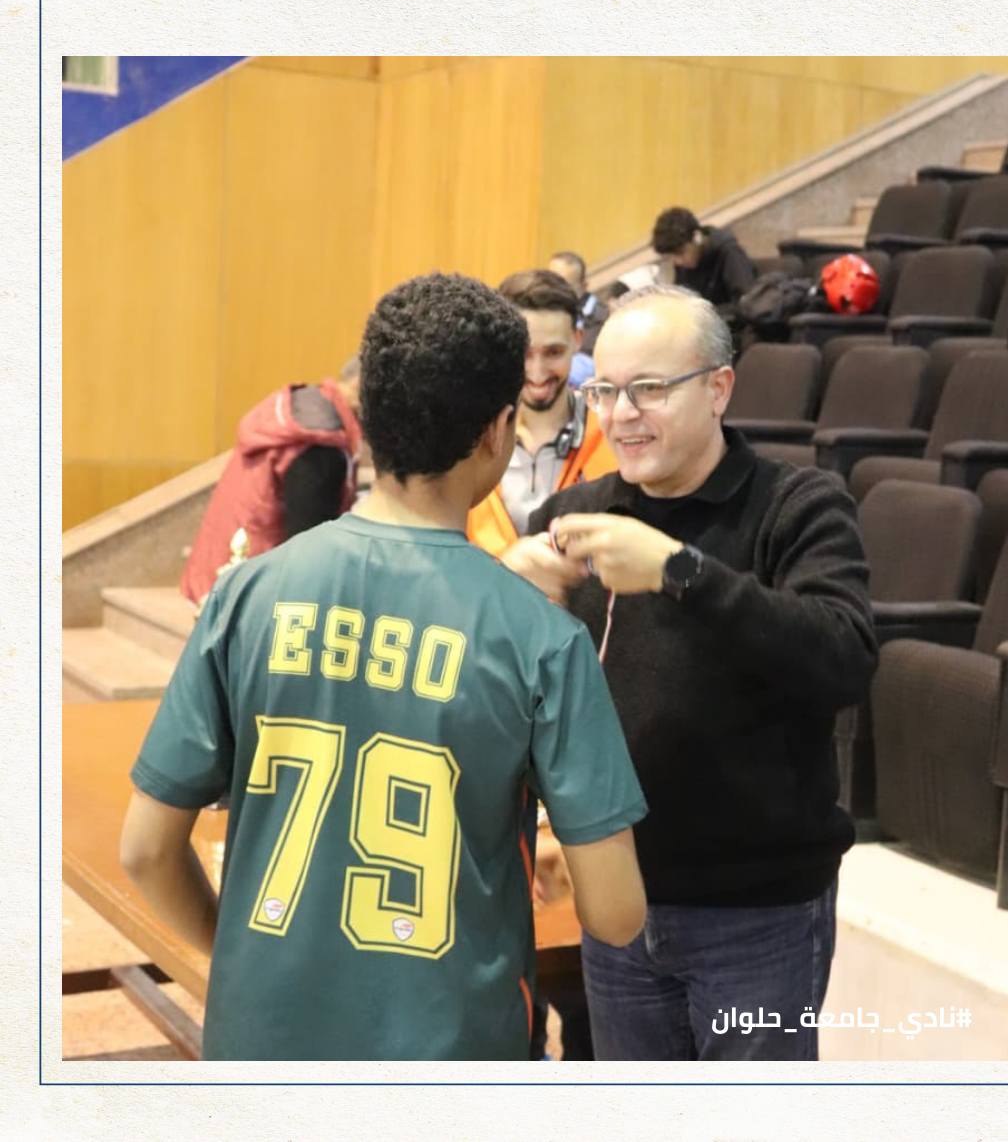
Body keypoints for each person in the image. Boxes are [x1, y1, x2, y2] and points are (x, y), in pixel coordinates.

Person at [120, 272, 647, 1062]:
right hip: (450, 1053)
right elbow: (615, 914)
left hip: (259, 1044)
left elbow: (145, 850)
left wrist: (236, 961)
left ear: (368, 419)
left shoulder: (246, 595)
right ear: (498, 431)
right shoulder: (542, 636)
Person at [506, 284, 877, 1061]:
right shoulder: (573, 516)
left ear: (718, 388)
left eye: (649, 388)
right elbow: (534, 703)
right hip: (617, 904)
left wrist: (681, 572)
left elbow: (843, 658)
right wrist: (506, 594)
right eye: (606, 391)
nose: (621, 415)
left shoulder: (797, 505)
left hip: (758, 912)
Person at [180, 358, 365, 606]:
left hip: (222, 575)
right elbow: (310, 551)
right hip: (252, 592)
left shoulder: (296, 413)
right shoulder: (319, 444)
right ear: (359, 385)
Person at [466, 269, 616, 557]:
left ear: (578, 339)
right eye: (524, 353)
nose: (536, 372)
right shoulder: (468, 442)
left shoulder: (612, 436)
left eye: (553, 352)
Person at [650, 207, 756, 319]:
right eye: (671, 257)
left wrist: (703, 314)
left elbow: (749, 303)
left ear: (697, 238)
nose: (678, 262)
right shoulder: (685, 261)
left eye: (681, 253)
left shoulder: (729, 252)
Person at [548, 249, 609, 357]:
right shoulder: (540, 306)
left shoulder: (598, 316)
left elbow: (584, 357)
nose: (554, 289)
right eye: (549, 281)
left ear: (583, 286)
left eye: (563, 285)